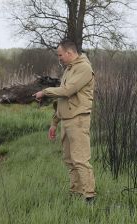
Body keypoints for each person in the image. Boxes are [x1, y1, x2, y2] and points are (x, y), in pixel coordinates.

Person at [33, 40, 96, 202]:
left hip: (78, 120)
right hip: (66, 120)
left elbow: (67, 91)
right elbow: (62, 99)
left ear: (70, 53)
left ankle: (89, 196)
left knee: (80, 159)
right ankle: (75, 192)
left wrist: (45, 92)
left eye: (60, 55)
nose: (59, 58)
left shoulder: (84, 68)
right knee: (69, 159)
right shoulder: (69, 69)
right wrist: (54, 123)